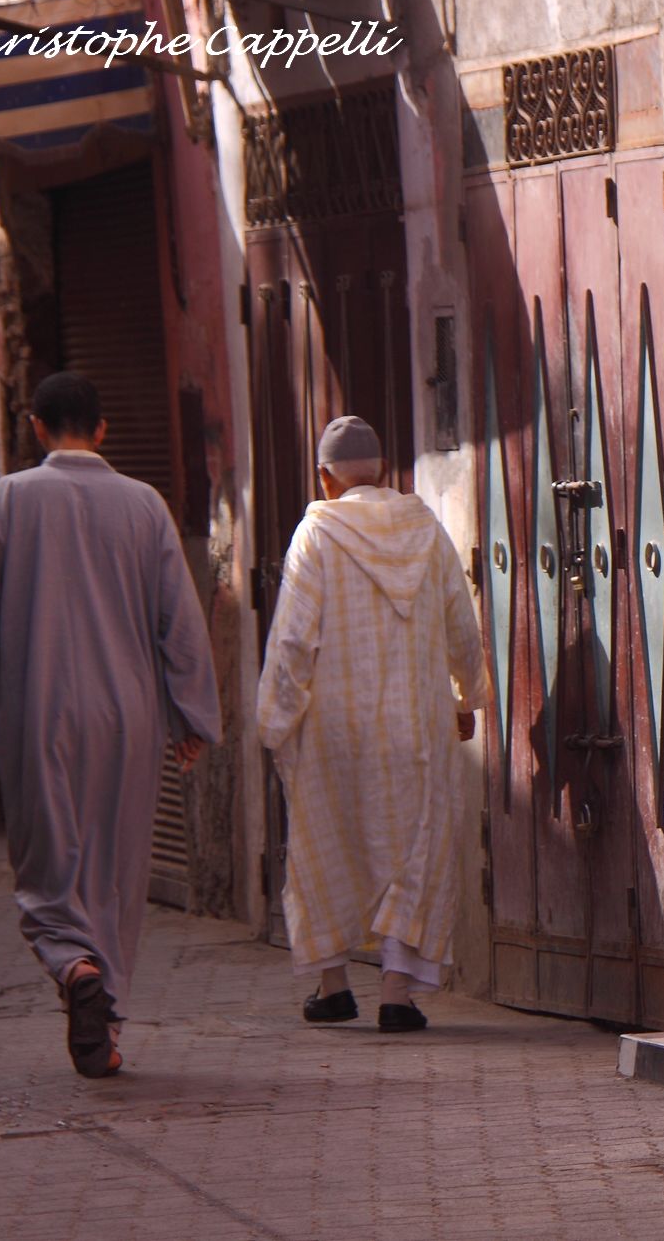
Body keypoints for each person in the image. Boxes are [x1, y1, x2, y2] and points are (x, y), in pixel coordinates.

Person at [0, 372, 222, 1078]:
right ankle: (104, 1023)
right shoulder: (144, 507)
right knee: (116, 868)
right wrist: (192, 714)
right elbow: (180, 619)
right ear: (104, 429)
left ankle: (75, 967)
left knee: (49, 862)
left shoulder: (12, 499)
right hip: (129, 715)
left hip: (40, 709)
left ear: (35, 426)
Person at [257, 415, 487, 1032]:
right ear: (381, 471)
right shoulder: (425, 529)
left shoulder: (317, 534)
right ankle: (397, 993)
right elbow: (460, 623)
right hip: (415, 724)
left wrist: (275, 719)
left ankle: (333, 986)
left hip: (333, 727)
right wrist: (467, 698)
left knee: (325, 840)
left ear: (326, 478)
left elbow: (293, 640)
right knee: (415, 848)